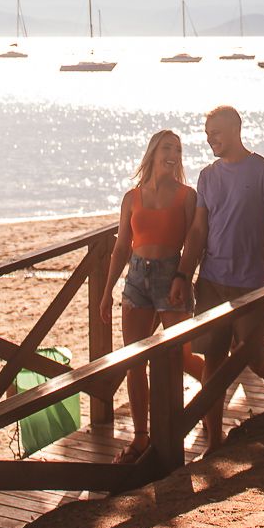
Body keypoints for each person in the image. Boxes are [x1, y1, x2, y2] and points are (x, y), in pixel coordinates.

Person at [172, 104, 264, 449]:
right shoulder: (207, 176)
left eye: (216, 133)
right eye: (208, 134)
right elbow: (198, 230)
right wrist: (184, 272)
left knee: (255, 356)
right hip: (212, 279)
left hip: (252, 281)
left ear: (235, 129)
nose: (210, 140)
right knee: (213, 358)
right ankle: (214, 438)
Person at [96, 130, 202, 464]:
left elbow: (194, 243)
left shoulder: (188, 196)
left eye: (178, 149)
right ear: (153, 153)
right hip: (137, 280)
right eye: (167, 148)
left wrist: (183, 277)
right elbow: (120, 248)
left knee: (180, 357)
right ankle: (142, 438)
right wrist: (106, 292)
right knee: (134, 361)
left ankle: (211, 401)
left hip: (171, 276)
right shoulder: (132, 197)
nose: (173, 154)